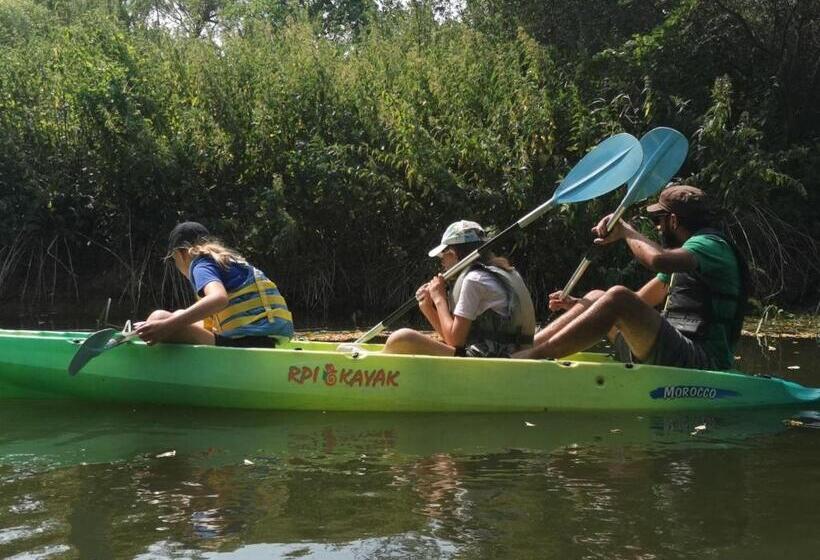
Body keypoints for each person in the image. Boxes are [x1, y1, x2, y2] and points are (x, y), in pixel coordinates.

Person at [514, 185, 748, 370]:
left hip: (702, 360)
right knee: (596, 296)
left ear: (673, 220)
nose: (658, 228)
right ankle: (520, 351)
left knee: (618, 296)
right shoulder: (686, 259)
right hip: (675, 350)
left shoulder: (710, 245)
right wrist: (580, 305)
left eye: (659, 221)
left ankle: (529, 360)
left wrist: (626, 231)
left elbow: (658, 260)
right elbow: (639, 301)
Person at [382, 220, 536, 357]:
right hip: (510, 353)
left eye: (443, 256)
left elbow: (456, 342)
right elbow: (453, 339)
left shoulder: (474, 280)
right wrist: (427, 307)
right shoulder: (507, 272)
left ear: (453, 253)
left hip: (492, 358)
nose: (442, 262)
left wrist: (439, 299)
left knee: (401, 338)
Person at [135, 221, 294, 347]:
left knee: (158, 317)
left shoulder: (201, 265)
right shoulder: (229, 263)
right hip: (266, 342)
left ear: (181, 254)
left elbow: (218, 299)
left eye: (173, 260)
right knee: (177, 315)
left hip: (242, 344)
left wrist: (167, 326)